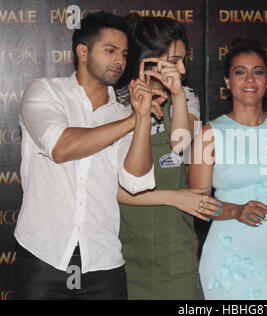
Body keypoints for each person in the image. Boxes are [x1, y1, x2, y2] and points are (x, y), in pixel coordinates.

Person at [14, 12, 159, 299]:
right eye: (110, 50)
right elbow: (61, 147)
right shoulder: (44, 92)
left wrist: (140, 120)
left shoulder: (122, 114)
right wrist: (133, 120)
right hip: (43, 255)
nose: (119, 61)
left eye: (124, 54)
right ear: (83, 51)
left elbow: (137, 182)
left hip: (102, 260)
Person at [188, 39, 267, 300]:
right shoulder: (209, 134)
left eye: (258, 72)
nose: (249, 80)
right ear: (227, 81)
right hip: (227, 258)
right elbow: (196, 203)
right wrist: (235, 210)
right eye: (240, 72)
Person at [115, 16, 220, 300]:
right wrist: (175, 196)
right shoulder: (117, 103)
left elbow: (181, 145)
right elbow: (111, 188)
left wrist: (175, 94)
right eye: (175, 60)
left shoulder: (186, 96)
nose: (183, 69)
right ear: (148, 60)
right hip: (121, 250)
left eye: (184, 61)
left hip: (175, 245)